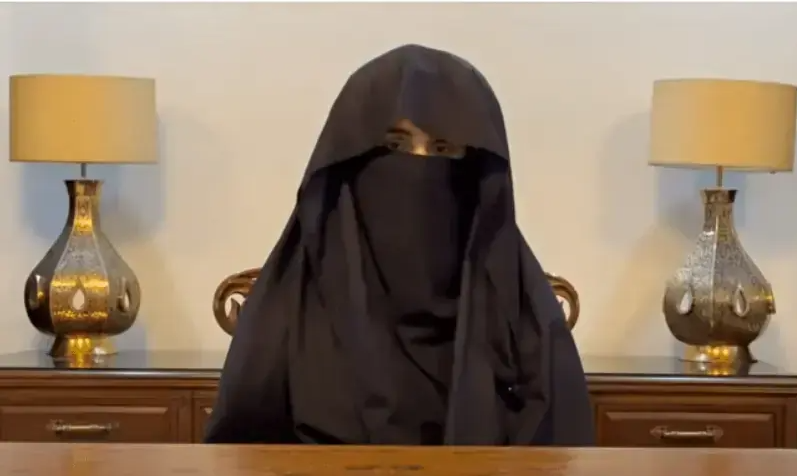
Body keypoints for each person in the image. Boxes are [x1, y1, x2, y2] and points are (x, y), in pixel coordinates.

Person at [204, 44, 594, 446]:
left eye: (442, 150)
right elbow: (241, 453)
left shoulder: (521, 316)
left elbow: (560, 452)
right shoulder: (291, 310)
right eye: (395, 146)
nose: (419, 170)